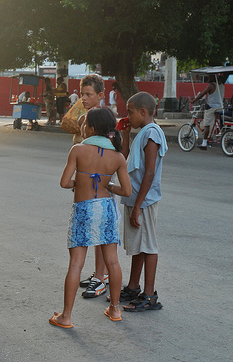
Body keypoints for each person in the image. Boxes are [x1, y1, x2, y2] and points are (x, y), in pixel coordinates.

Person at [49, 107, 131, 328]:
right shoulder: (117, 156)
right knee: (112, 261)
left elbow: (65, 182)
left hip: (84, 209)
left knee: (76, 264)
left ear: (92, 128)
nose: (82, 127)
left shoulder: (78, 150)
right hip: (106, 209)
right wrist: (108, 185)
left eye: (84, 124)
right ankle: (114, 309)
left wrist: (80, 183)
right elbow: (126, 191)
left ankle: (66, 316)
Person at [117, 92, 168, 312]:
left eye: (130, 112)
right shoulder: (142, 133)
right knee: (139, 246)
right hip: (135, 198)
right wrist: (126, 136)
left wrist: (137, 206)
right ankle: (133, 286)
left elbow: (149, 173)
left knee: (148, 246)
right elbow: (125, 159)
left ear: (143, 112)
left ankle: (149, 295)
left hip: (144, 201)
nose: (127, 116)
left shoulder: (152, 134)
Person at [72, 74, 111, 299]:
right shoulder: (83, 118)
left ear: (100, 95)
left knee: (101, 235)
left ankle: (101, 277)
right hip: (83, 185)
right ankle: (98, 273)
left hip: (99, 186)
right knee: (92, 231)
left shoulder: (105, 121)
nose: (84, 98)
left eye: (88, 94)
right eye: (82, 94)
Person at [190, 74, 224, 149]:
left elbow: (203, 93)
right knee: (215, 121)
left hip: (212, 107)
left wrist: (194, 100)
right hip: (220, 107)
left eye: (210, 76)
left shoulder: (211, 85)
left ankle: (204, 143)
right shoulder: (221, 85)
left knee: (206, 125)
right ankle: (215, 131)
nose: (208, 78)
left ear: (213, 77)